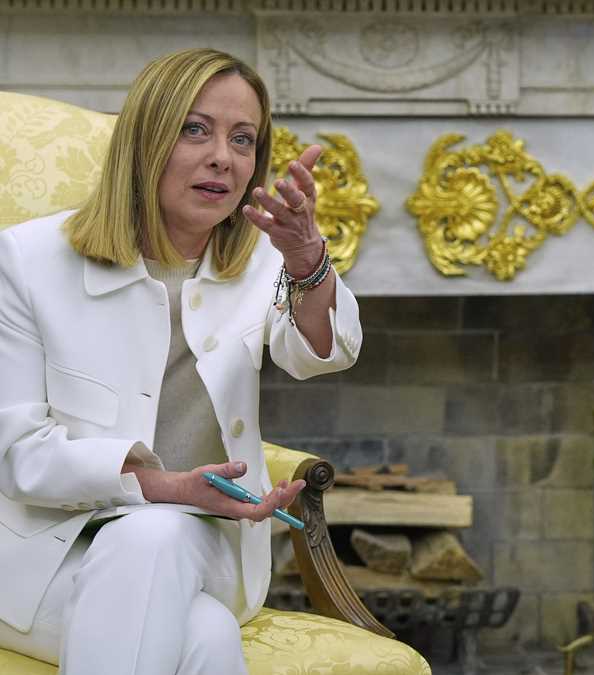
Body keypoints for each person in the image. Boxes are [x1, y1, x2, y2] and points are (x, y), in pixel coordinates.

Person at [0, 48, 362, 674]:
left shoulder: (264, 262)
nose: (223, 157)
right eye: (196, 129)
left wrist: (308, 261)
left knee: (155, 534)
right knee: (205, 638)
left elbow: (322, 354)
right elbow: (18, 455)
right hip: (45, 557)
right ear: (145, 141)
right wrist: (165, 488)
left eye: (243, 139)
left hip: (205, 543)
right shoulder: (27, 261)